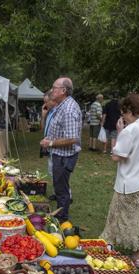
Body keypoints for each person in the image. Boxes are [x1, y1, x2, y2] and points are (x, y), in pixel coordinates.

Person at [100, 93, 139, 268]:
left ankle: (109, 247)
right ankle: (138, 256)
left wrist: (120, 133)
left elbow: (116, 156)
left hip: (130, 182)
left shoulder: (131, 130)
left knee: (117, 217)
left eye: (124, 114)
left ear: (130, 110)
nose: (123, 118)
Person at [40, 77, 82, 221]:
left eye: (54, 87)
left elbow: (72, 139)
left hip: (65, 157)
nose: (52, 90)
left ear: (63, 91)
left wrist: (50, 143)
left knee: (62, 190)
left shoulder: (69, 109)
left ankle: (62, 219)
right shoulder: (62, 105)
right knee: (59, 187)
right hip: (59, 155)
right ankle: (60, 214)